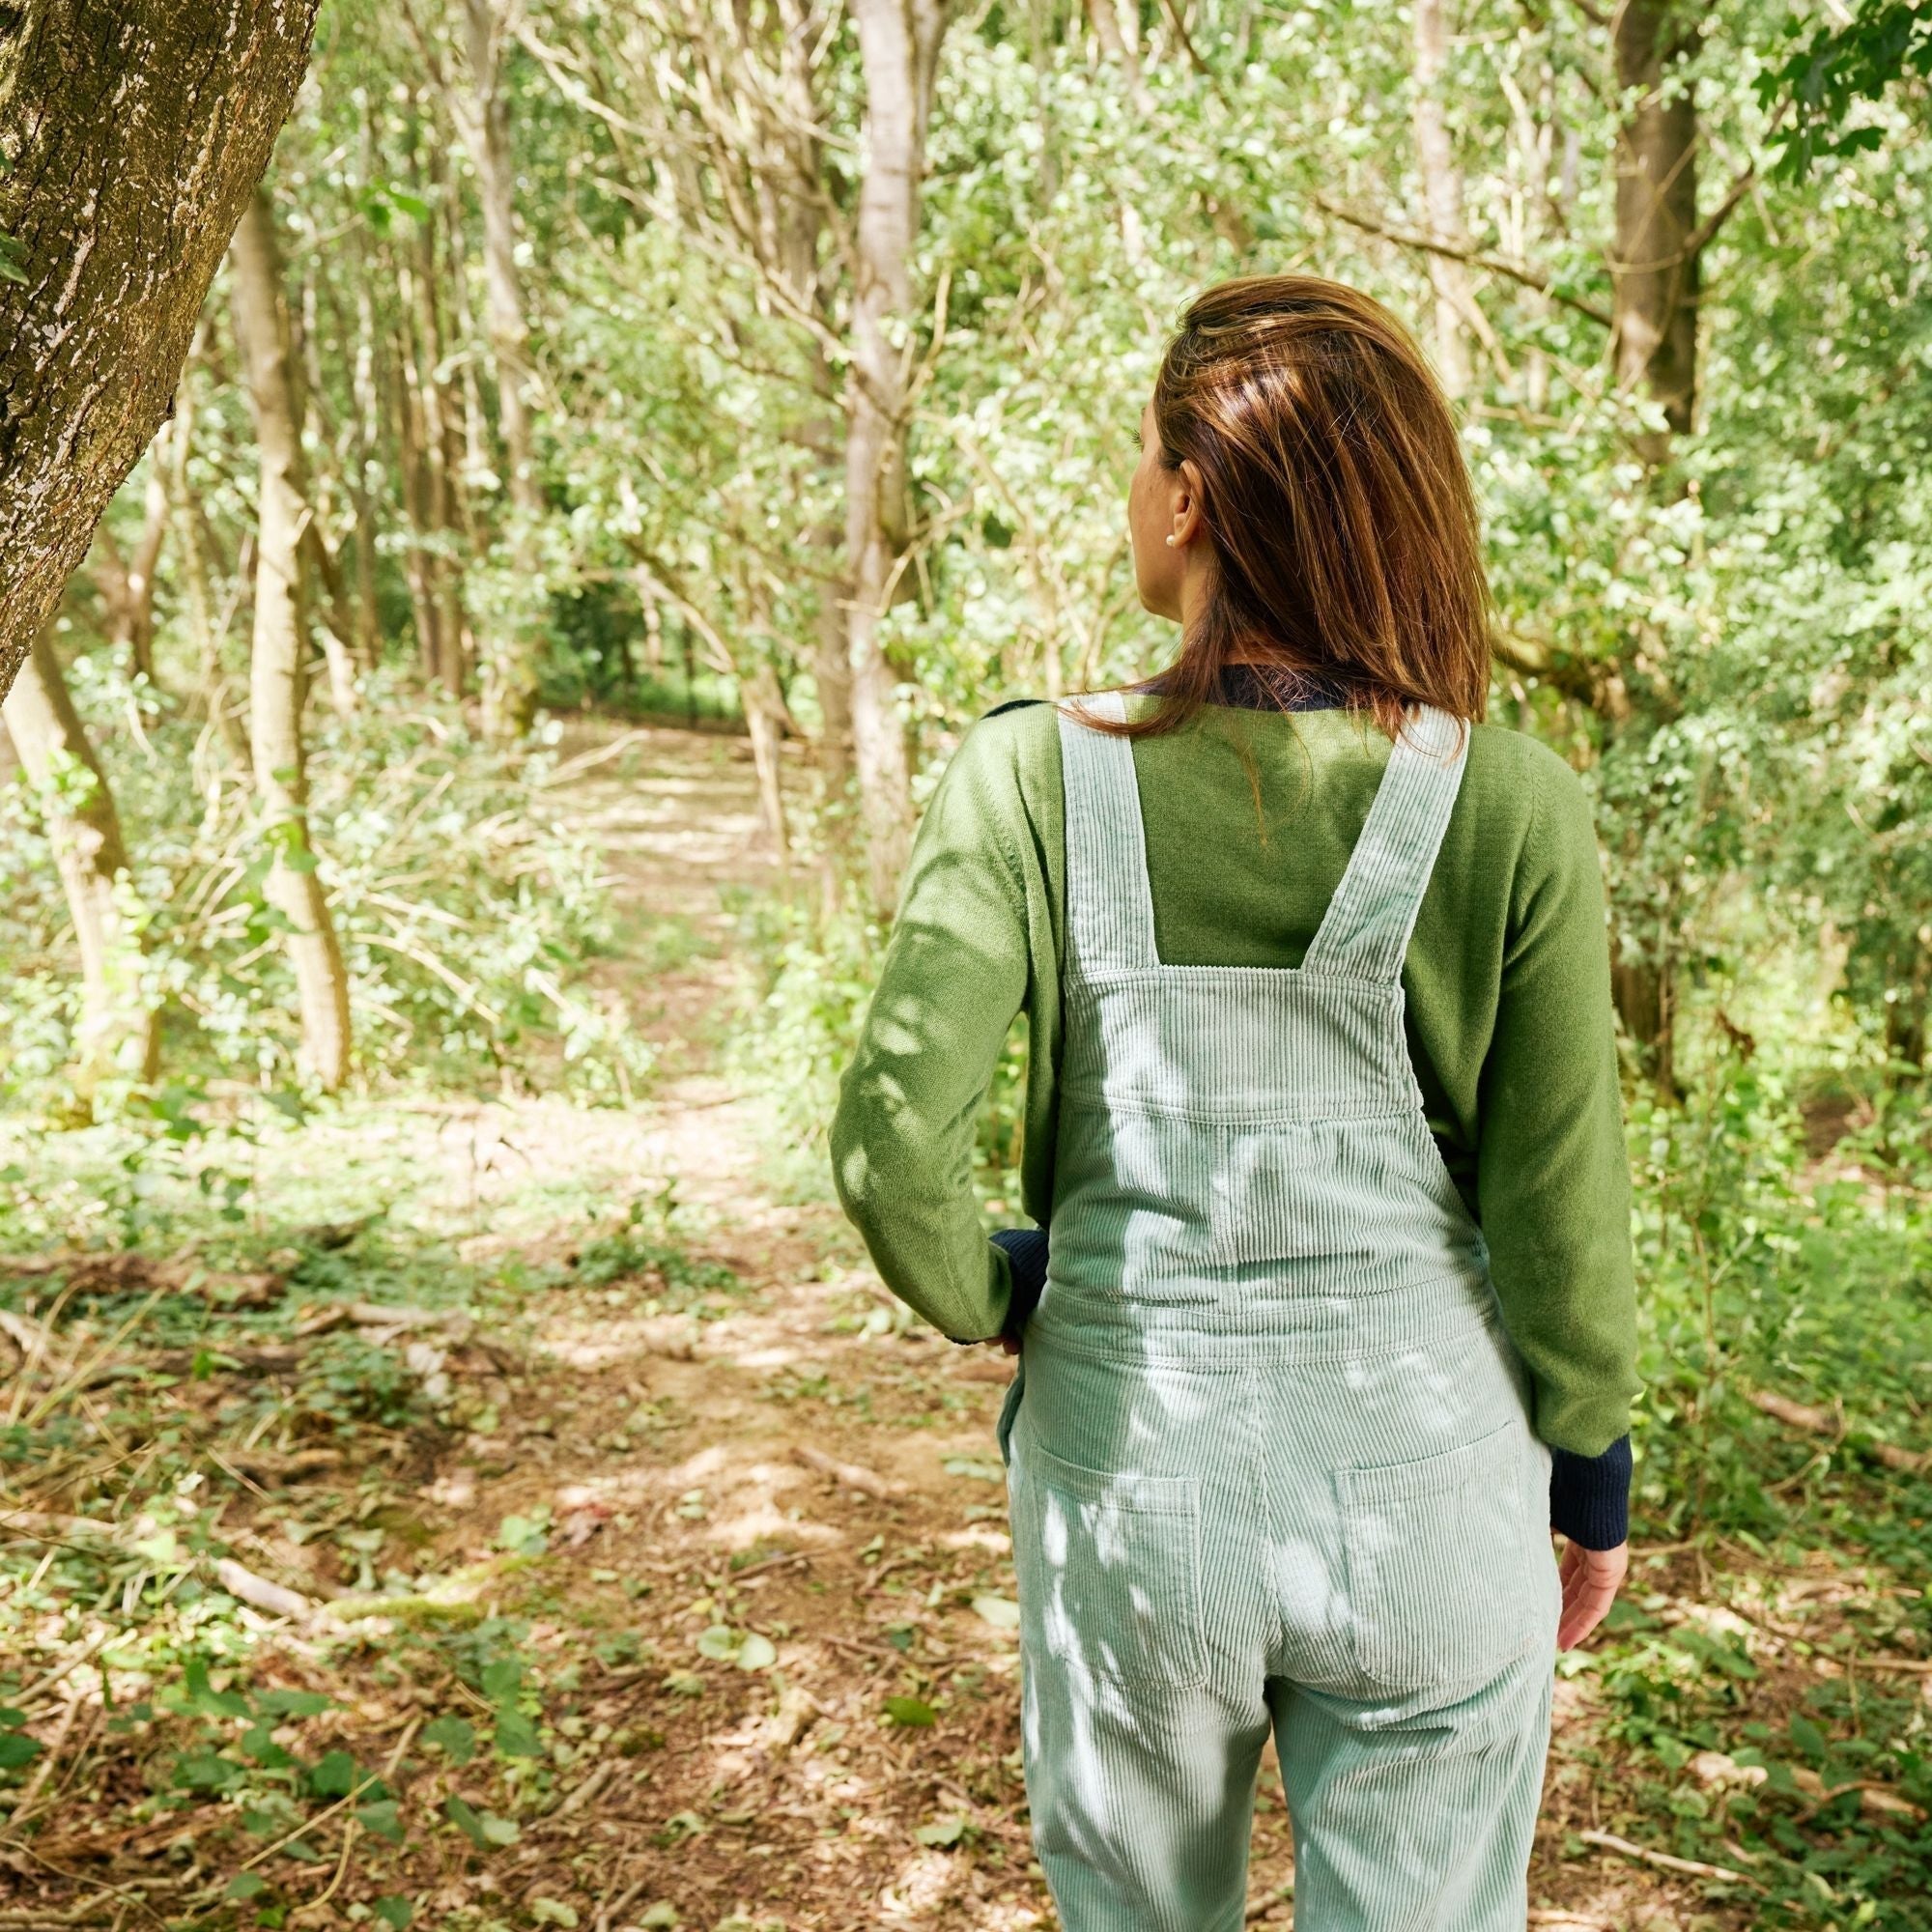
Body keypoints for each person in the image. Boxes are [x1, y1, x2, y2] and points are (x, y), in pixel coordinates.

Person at [829, 274, 1639, 1932]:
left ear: (1191, 496)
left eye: (1144, 461)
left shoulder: (1028, 776)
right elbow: (1560, 1209)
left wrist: (1001, 1288)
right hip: (1430, 1487)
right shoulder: (1515, 803)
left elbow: (887, 1143)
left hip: (1137, 1495)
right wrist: (1592, 1476)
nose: (1135, 495)